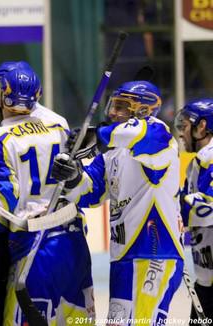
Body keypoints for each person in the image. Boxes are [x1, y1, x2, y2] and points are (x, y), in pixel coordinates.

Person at [52, 81, 184, 325]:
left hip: (151, 254)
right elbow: (89, 191)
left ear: (144, 110)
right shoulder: (112, 152)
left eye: (122, 106)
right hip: (124, 256)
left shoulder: (159, 135)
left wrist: (94, 135)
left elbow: (136, 133)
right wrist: (71, 177)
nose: (112, 112)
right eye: (113, 105)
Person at [0, 68, 94, 325]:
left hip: (33, 243)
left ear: (0, 95)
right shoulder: (60, 127)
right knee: (76, 320)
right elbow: (83, 188)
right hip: (74, 238)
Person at [175, 98, 213, 321]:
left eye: (185, 126)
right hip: (206, 279)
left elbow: (208, 203)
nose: (180, 132)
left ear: (202, 127)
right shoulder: (197, 162)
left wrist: (173, 211)